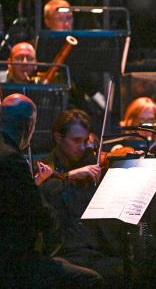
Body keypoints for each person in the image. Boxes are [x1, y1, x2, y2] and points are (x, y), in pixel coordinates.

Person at [0, 94, 102, 286]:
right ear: (29, 126)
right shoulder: (12, 160)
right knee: (90, 279)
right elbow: (39, 214)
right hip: (12, 262)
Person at [39, 109, 125, 284]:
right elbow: (43, 192)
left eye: (86, 141)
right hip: (65, 252)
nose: (82, 147)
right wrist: (69, 176)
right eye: (76, 140)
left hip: (97, 249)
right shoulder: (45, 168)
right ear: (58, 137)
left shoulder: (90, 163)